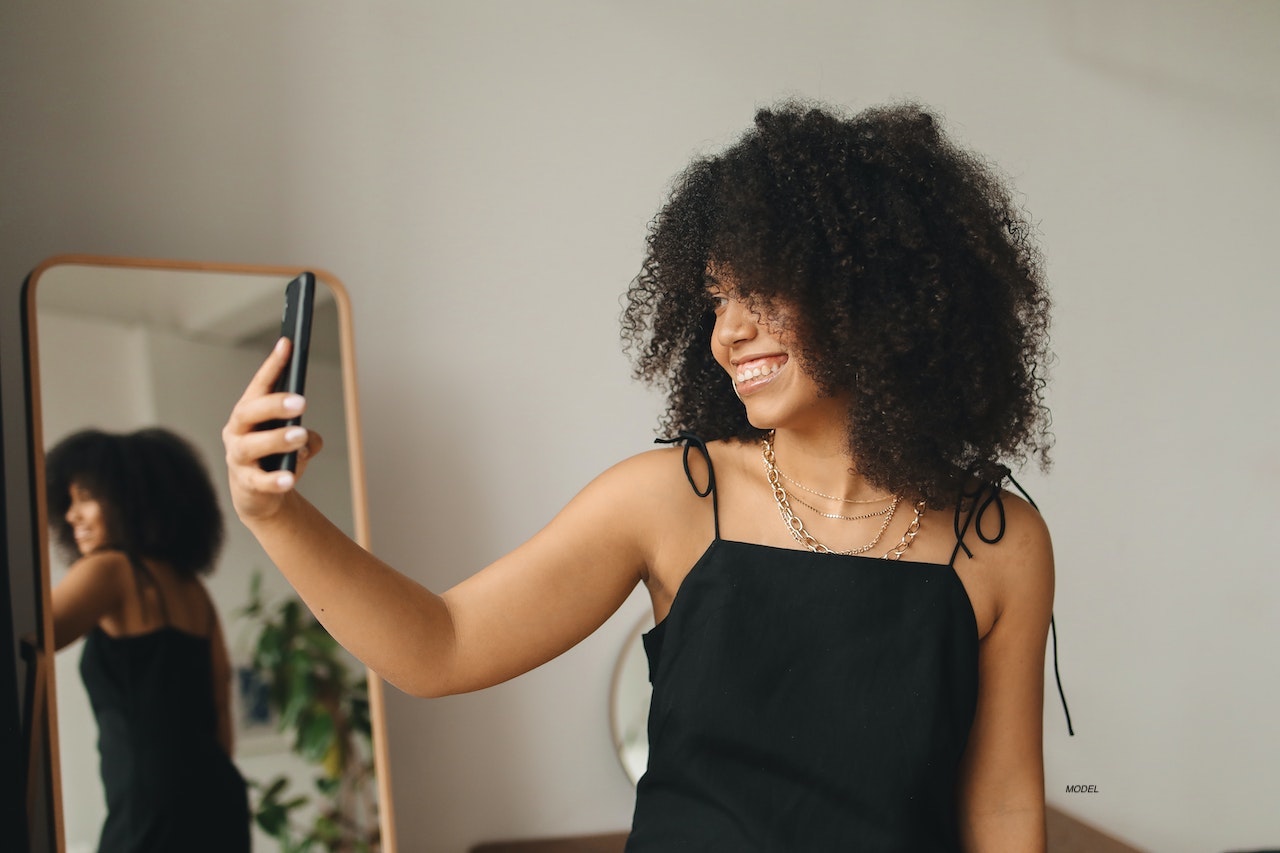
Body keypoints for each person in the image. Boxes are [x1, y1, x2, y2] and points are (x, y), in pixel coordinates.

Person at [224, 100, 1057, 851]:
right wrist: (276, 517)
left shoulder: (1002, 544)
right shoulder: (667, 500)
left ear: (874, 290)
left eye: (761, 292)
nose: (727, 333)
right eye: (716, 299)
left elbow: (1004, 805)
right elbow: (439, 647)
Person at [47, 427, 250, 853]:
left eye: (86, 497)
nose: (71, 515)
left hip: (150, 809)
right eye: (68, 501)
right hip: (218, 795)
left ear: (128, 500)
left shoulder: (110, 569)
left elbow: (29, 633)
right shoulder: (193, 588)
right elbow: (220, 703)